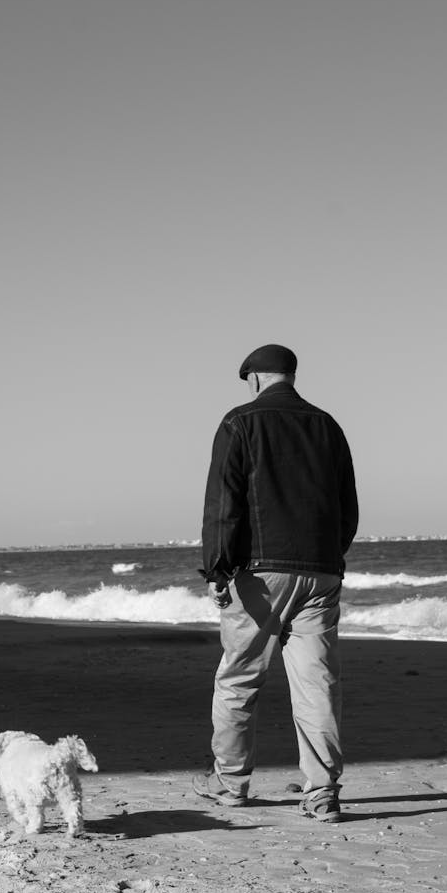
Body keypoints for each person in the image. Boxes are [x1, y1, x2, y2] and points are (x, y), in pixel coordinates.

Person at [193, 343, 358, 823]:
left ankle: (230, 783)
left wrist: (217, 569)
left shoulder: (239, 421)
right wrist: (330, 557)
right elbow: (347, 507)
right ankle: (322, 792)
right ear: (290, 376)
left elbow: (223, 501)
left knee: (239, 679)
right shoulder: (328, 426)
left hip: (260, 574)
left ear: (254, 379)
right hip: (321, 571)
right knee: (316, 685)